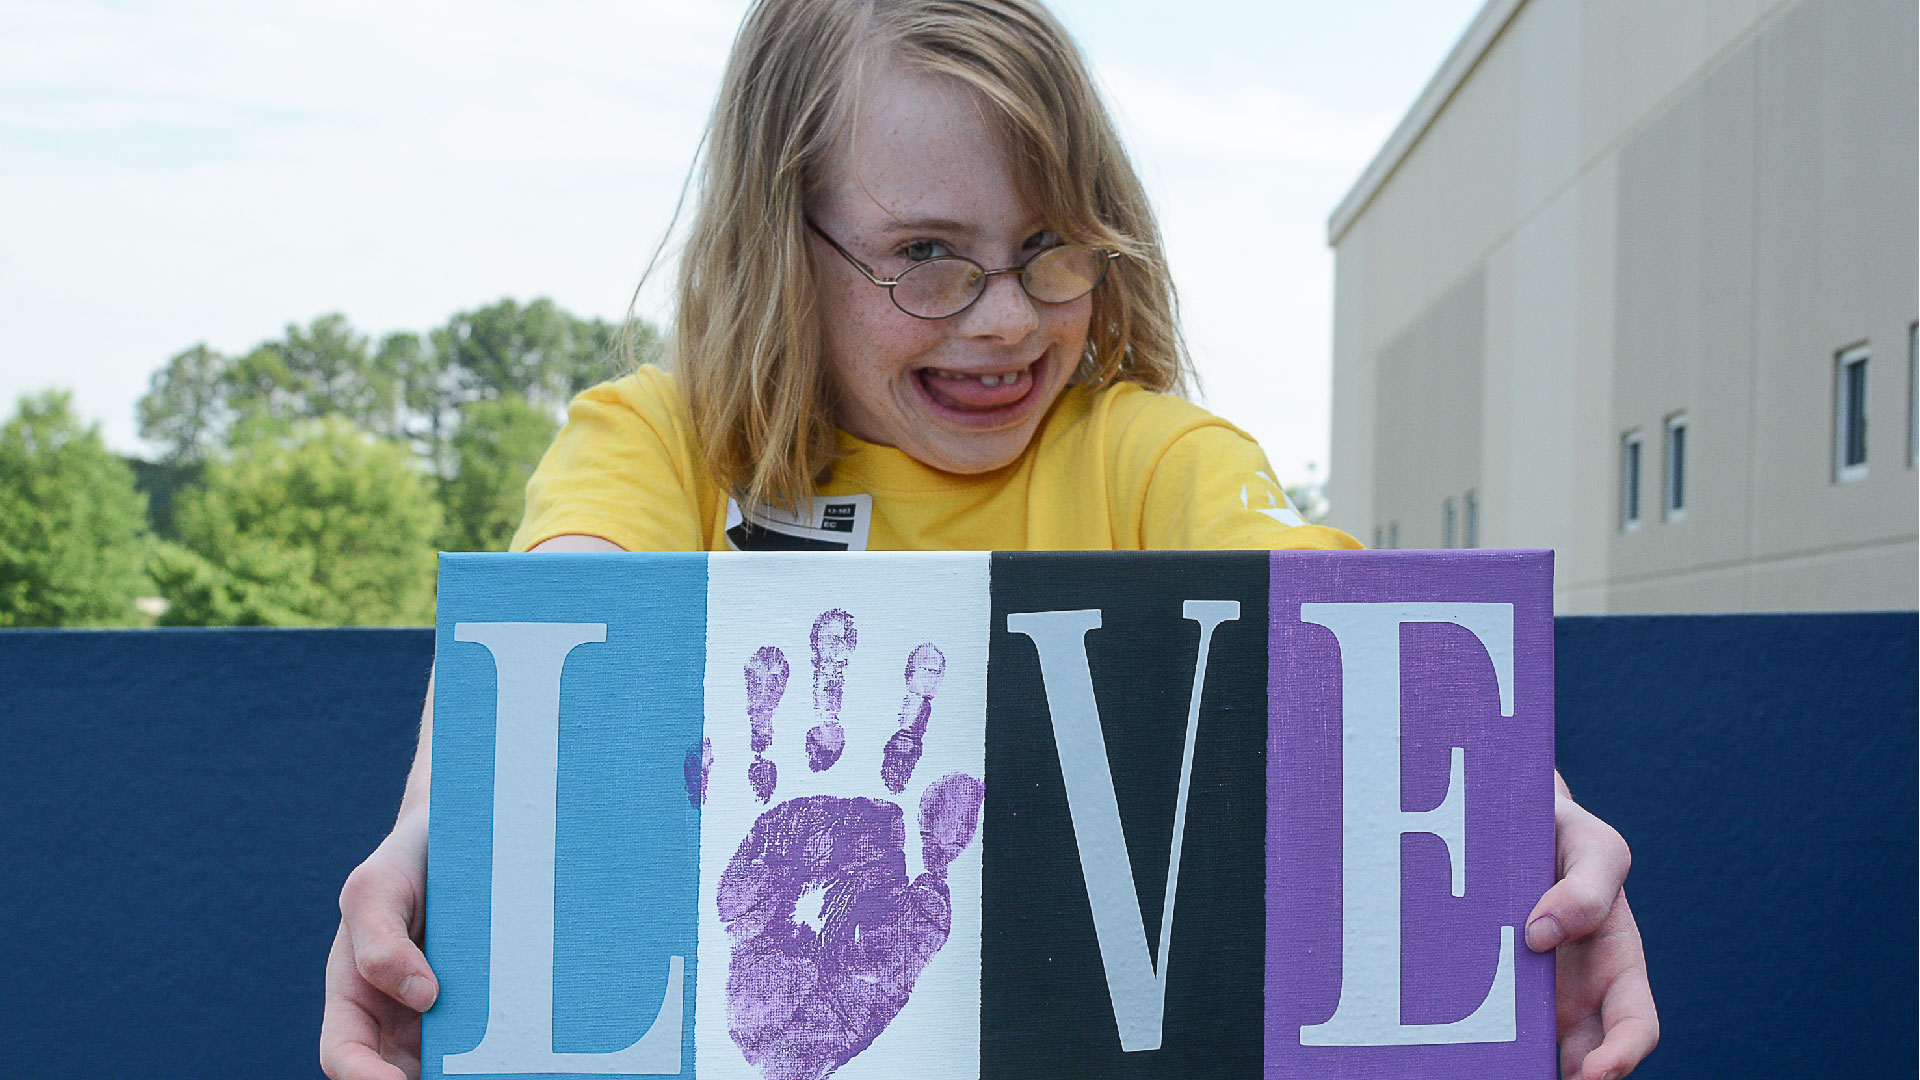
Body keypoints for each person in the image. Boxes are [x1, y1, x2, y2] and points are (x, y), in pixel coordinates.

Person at [320, 1, 1658, 1078]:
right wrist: (434, 838)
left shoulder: (1150, 461)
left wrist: (1530, 837)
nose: (1008, 318)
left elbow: (1366, 658)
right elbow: (559, 632)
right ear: (780, 246)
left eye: (1050, 248)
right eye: (928, 258)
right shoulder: (664, 444)